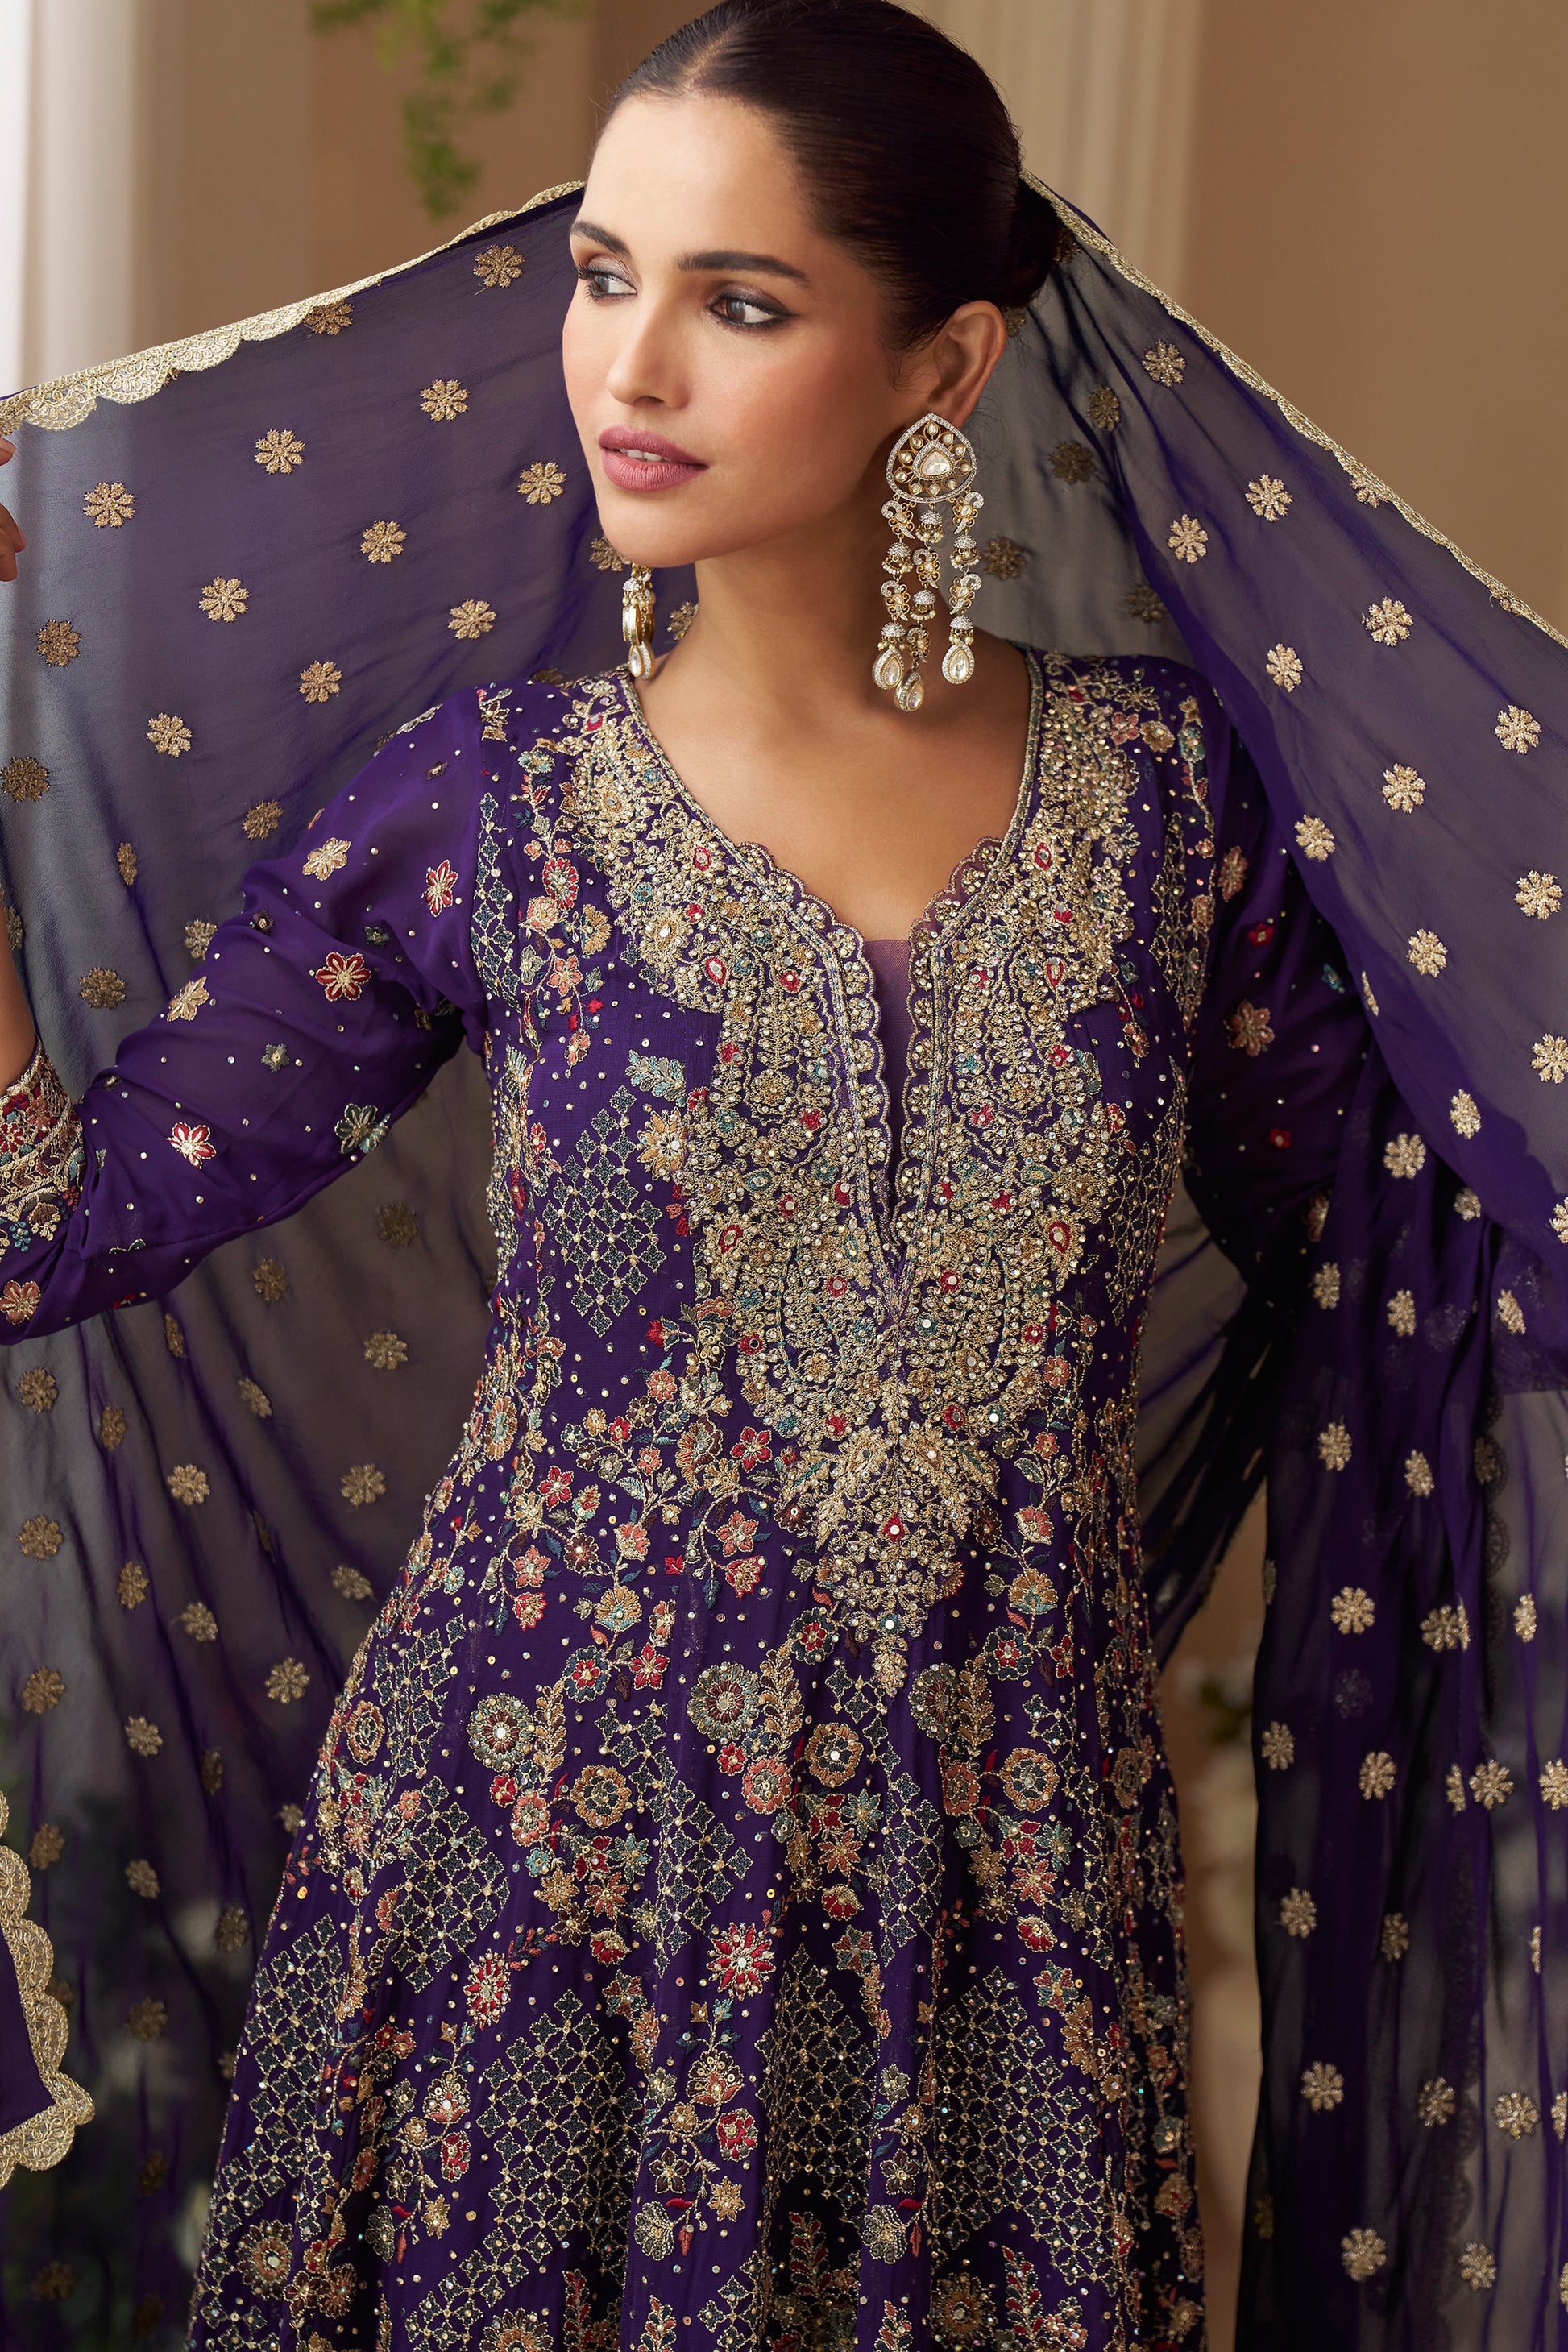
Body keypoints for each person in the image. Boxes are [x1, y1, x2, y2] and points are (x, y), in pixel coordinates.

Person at [2, 4, 1565, 2347]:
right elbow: (61, 1226)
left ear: (937, 365)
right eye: (602, 274)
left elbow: (1389, 1248)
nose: (631, 364)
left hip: (1001, 1912)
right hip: (529, 1880)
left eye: (737, 303)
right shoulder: (479, 807)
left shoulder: (1162, 805)